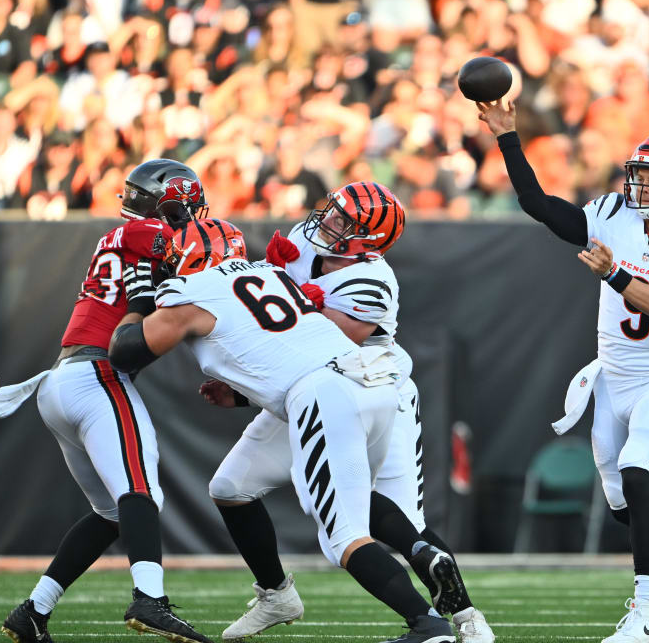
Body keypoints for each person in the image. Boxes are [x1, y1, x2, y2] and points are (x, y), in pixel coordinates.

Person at [107, 218, 457, 643]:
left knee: (344, 534)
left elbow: (125, 353)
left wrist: (142, 296)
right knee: (232, 486)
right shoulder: (269, 273)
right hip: (370, 382)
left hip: (326, 394)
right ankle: (280, 593)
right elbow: (280, 349)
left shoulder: (193, 293)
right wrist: (240, 395)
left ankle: (427, 625)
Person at [480, 100, 649, 643]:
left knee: (639, 476)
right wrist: (508, 139)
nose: (640, 187)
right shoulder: (613, 214)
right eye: (637, 175)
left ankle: (647, 614)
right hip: (610, 376)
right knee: (623, 507)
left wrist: (615, 273)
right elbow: (537, 204)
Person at [207, 183, 495, 643]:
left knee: (399, 520)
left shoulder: (372, 281)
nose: (330, 220)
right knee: (231, 486)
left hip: (370, 387)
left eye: (344, 220)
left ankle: (465, 620)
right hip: (310, 387)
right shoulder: (308, 237)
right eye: (335, 211)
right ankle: (276, 594)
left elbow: (314, 343)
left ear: (368, 242)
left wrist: (243, 391)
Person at [0, 159, 212, 643]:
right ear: (168, 203)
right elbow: (181, 258)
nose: (191, 218)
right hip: (96, 377)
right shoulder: (148, 235)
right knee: (141, 491)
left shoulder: (122, 238)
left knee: (112, 512)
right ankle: (150, 600)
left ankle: (33, 612)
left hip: (63, 380)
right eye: (184, 207)